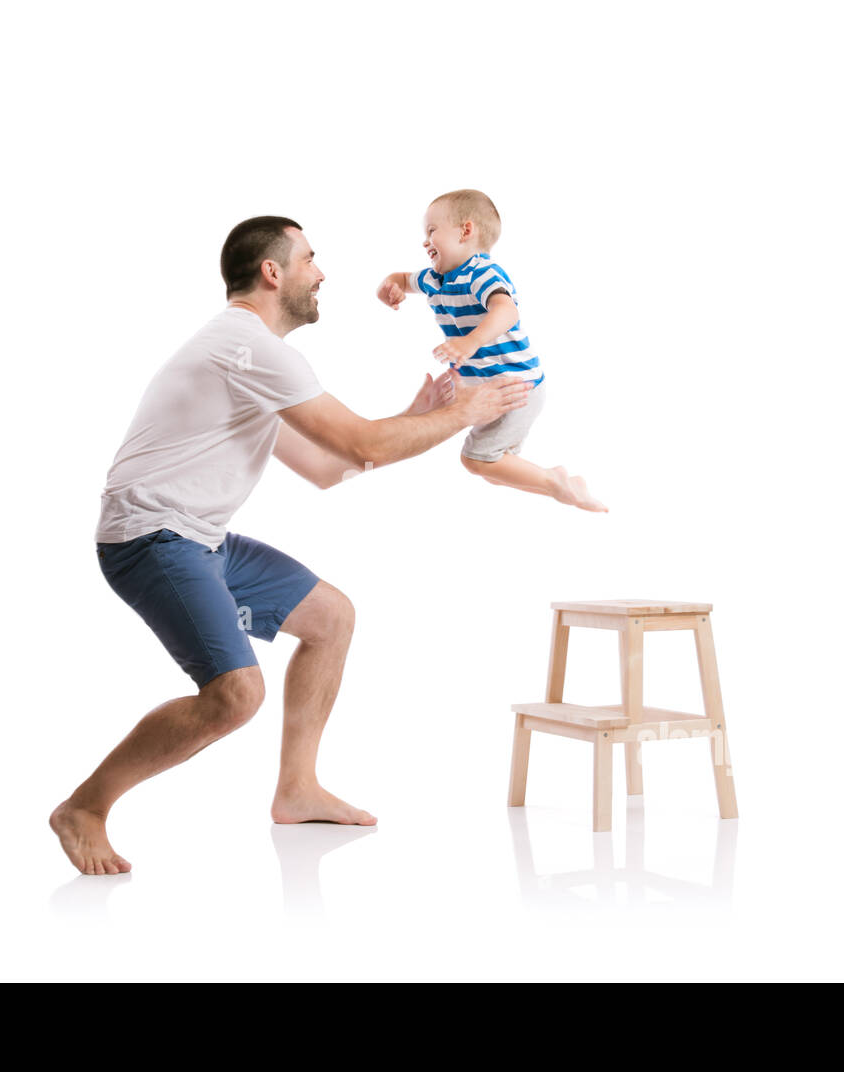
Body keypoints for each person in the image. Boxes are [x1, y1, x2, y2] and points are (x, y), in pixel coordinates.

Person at [50, 215, 534, 875]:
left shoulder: (249, 360)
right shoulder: (246, 347)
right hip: (149, 538)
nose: (322, 272)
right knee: (235, 695)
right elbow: (361, 444)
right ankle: (84, 807)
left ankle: (297, 788)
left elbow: (330, 468)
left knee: (330, 617)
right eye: (310, 258)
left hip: (198, 539)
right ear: (273, 273)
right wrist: (465, 414)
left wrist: (425, 417)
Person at [375, 189, 607, 512]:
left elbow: (506, 310)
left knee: (476, 459)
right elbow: (401, 277)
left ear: (465, 231)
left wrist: (470, 341)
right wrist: (389, 287)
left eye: (431, 231)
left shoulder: (480, 272)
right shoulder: (434, 278)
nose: (425, 242)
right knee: (495, 469)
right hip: (495, 387)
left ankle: (557, 483)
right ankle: (560, 483)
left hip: (515, 386)